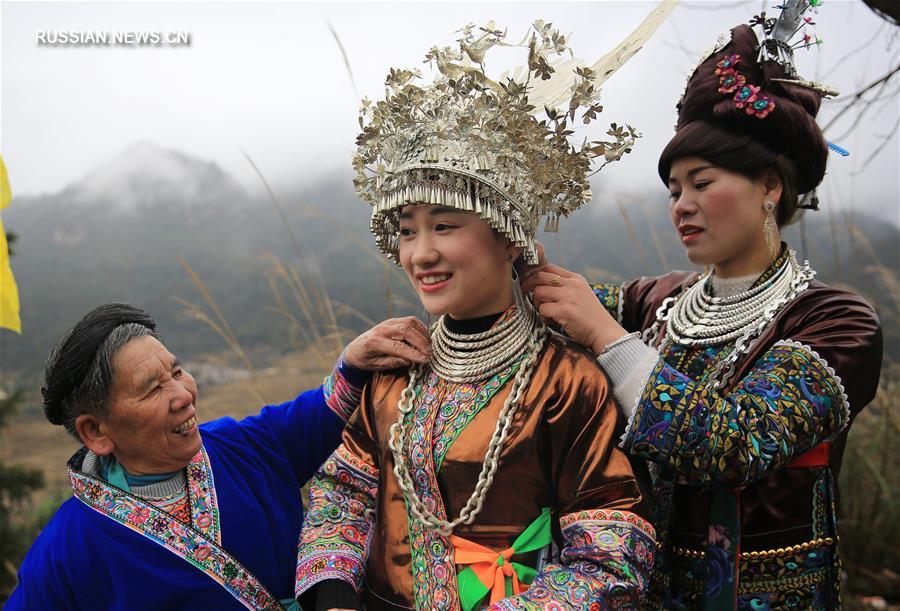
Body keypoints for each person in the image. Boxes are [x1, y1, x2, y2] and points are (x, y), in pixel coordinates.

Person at [523, 8, 883, 610]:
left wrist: (609, 340)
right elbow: (541, 314)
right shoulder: (657, 301)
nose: (681, 206)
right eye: (672, 190)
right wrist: (513, 258)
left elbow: (734, 444)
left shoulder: (836, 323)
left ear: (771, 186)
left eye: (701, 182)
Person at [294, 20, 656, 611]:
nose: (420, 253)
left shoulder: (566, 382)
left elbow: (612, 551)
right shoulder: (397, 371)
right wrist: (334, 596)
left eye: (444, 225)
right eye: (406, 232)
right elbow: (344, 494)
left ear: (508, 238)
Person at [7, 302, 430, 610]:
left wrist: (355, 362)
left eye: (176, 371)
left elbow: (321, 413)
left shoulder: (240, 446)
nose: (183, 395)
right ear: (96, 431)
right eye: (153, 388)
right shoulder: (66, 552)